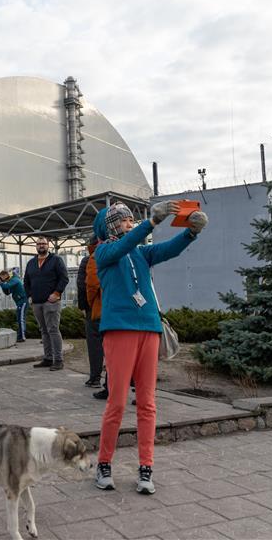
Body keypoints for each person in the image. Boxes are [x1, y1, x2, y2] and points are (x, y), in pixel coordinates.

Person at [92, 201, 208, 496]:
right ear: (107, 227)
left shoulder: (141, 253)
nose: (129, 222)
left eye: (131, 218)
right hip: (120, 330)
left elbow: (168, 249)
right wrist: (150, 223)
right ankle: (104, 463)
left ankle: (146, 467)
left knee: (147, 403)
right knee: (117, 402)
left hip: (149, 329)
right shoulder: (103, 252)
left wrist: (191, 233)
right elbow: (122, 246)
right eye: (122, 219)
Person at [23, 237, 69, 370]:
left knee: (53, 330)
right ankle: (48, 358)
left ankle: (58, 360)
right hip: (36, 303)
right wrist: (29, 296)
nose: (41, 246)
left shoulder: (56, 260)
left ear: (48, 246)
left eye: (44, 243)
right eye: (39, 244)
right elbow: (26, 281)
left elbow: (64, 278)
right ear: (36, 246)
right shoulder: (31, 263)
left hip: (51, 302)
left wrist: (57, 293)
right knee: (44, 331)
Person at [80, 239, 105, 389]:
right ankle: (115, 383)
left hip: (96, 309)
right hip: (119, 308)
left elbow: (88, 285)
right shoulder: (123, 253)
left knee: (95, 343)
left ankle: (95, 378)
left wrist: (86, 305)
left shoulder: (92, 258)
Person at [0, 269, 27, 342]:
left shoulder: (15, 279)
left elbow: (7, 286)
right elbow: (7, 292)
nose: (1, 279)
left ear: (5, 275)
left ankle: (22, 337)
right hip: (19, 302)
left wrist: (0, 283)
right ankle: (21, 336)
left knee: (21, 319)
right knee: (19, 319)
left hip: (23, 301)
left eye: (1, 277)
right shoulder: (11, 280)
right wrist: (1, 283)